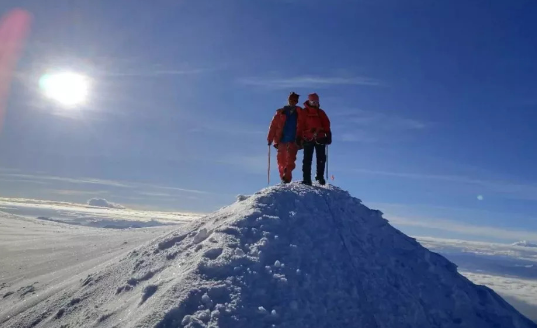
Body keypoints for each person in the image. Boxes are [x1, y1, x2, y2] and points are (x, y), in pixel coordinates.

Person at [267, 92, 303, 184]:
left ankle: (287, 177)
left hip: (294, 140)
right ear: (288, 100)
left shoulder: (300, 112)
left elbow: (305, 125)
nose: (293, 102)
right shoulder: (280, 112)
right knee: (281, 160)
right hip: (281, 140)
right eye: (291, 100)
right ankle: (283, 177)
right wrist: (270, 138)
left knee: (290, 160)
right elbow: (273, 125)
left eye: (295, 100)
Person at [299, 93, 331, 185]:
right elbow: (300, 125)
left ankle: (320, 177)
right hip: (307, 138)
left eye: (316, 102)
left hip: (320, 138)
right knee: (307, 159)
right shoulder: (304, 112)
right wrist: (299, 136)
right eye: (313, 101)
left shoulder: (321, 113)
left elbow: (326, 124)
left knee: (321, 158)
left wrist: (328, 135)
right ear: (309, 101)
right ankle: (306, 179)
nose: (315, 103)